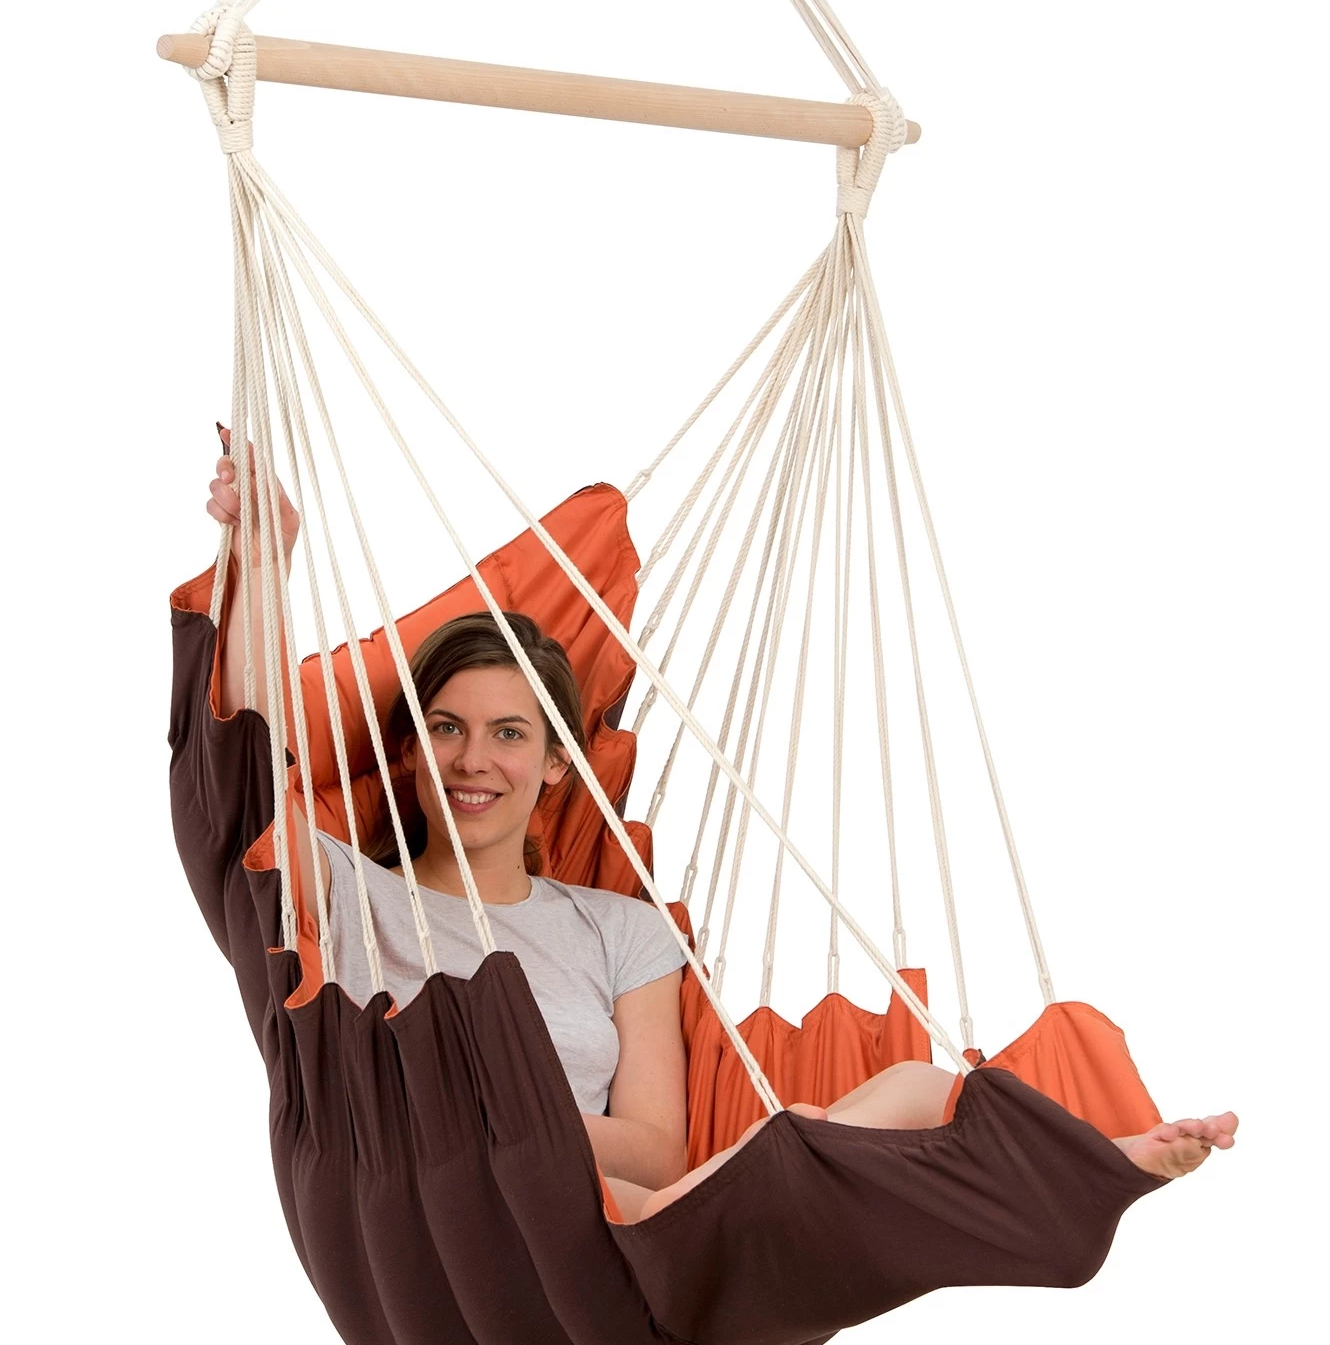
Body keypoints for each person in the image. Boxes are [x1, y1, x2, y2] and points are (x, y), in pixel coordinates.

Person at [207, 441, 1238, 1222]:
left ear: (558, 763)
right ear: (410, 749)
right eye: (447, 727)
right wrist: (261, 563)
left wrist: (514, 1126)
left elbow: (656, 1151)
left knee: (913, 1089)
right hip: (446, 1221)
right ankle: (836, 1180)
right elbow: (243, 770)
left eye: (510, 734)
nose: (473, 759)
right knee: (753, 1177)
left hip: (625, 1227)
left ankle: (1090, 1160)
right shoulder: (345, 890)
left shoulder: (618, 929)